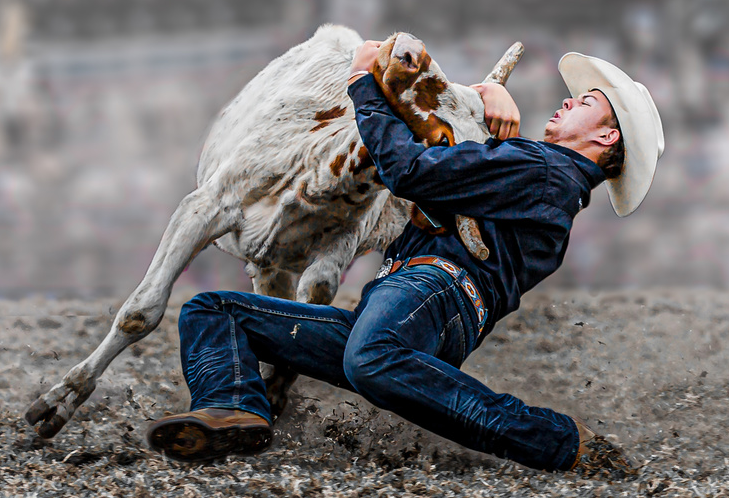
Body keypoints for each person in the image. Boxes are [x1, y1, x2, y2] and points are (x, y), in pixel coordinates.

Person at [145, 42, 664, 472]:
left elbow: (412, 170)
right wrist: (482, 96)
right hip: (415, 312)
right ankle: (233, 409)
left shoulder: (545, 170)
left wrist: (361, 85)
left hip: (429, 294)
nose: (568, 103)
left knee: (368, 358)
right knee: (213, 311)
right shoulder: (539, 177)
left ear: (606, 136)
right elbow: (459, 162)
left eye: (586, 103)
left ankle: (558, 443)